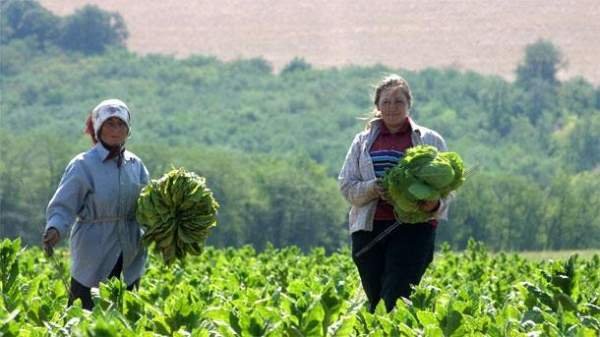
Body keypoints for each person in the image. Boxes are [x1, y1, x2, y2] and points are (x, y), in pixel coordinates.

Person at [338, 74, 453, 312]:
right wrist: (373, 188)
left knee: (396, 298)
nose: (392, 107)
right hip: (369, 229)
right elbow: (347, 186)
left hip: (414, 228)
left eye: (398, 102)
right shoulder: (362, 142)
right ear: (377, 106)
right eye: (387, 102)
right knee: (376, 298)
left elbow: (447, 189)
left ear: (409, 104)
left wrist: (432, 205)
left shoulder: (430, 140)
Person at [42, 99, 150, 310]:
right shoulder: (83, 165)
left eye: (121, 125)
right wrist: (55, 228)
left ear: (128, 130)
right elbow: (64, 204)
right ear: (99, 129)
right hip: (94, 249)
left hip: (129, 250)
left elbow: (149, 205)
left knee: (124, 314)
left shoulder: (135, 165)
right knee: (85, 313)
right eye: (110, 124)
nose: (116, 130)